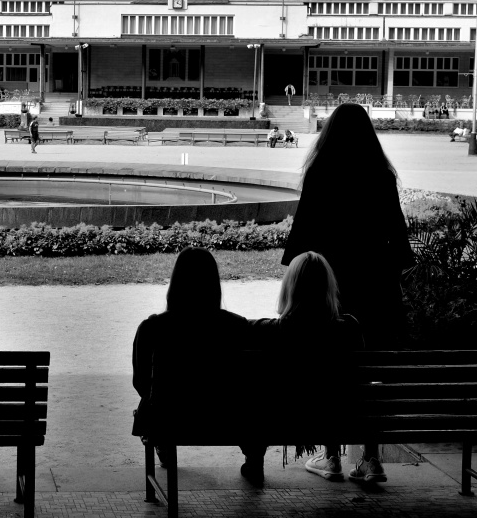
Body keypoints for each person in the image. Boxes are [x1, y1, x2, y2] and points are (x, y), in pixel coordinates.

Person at [282, 101, 413, 355]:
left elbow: (303, 225)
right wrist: (396, 268)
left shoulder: (319, 173)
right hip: (372, 271)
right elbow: (396, 229)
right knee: (372, 341)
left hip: (328, 274)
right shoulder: (381, 175)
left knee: (329, 344)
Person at [131, 248, 261, 481]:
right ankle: (253, 458)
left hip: (171, 418)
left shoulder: (152, 328)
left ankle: (164, 444)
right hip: (227, 417)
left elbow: (141, 382)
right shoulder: (237, 326)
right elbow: (251, 382)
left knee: (154, 402)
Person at [252, 252, 379, 482]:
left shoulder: (272, 331)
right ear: (328, 288)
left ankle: (331, 457)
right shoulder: (349, 328)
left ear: (289, 288)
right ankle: (370, 459)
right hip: (342, 416)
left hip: (289, 418)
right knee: (356, 390)